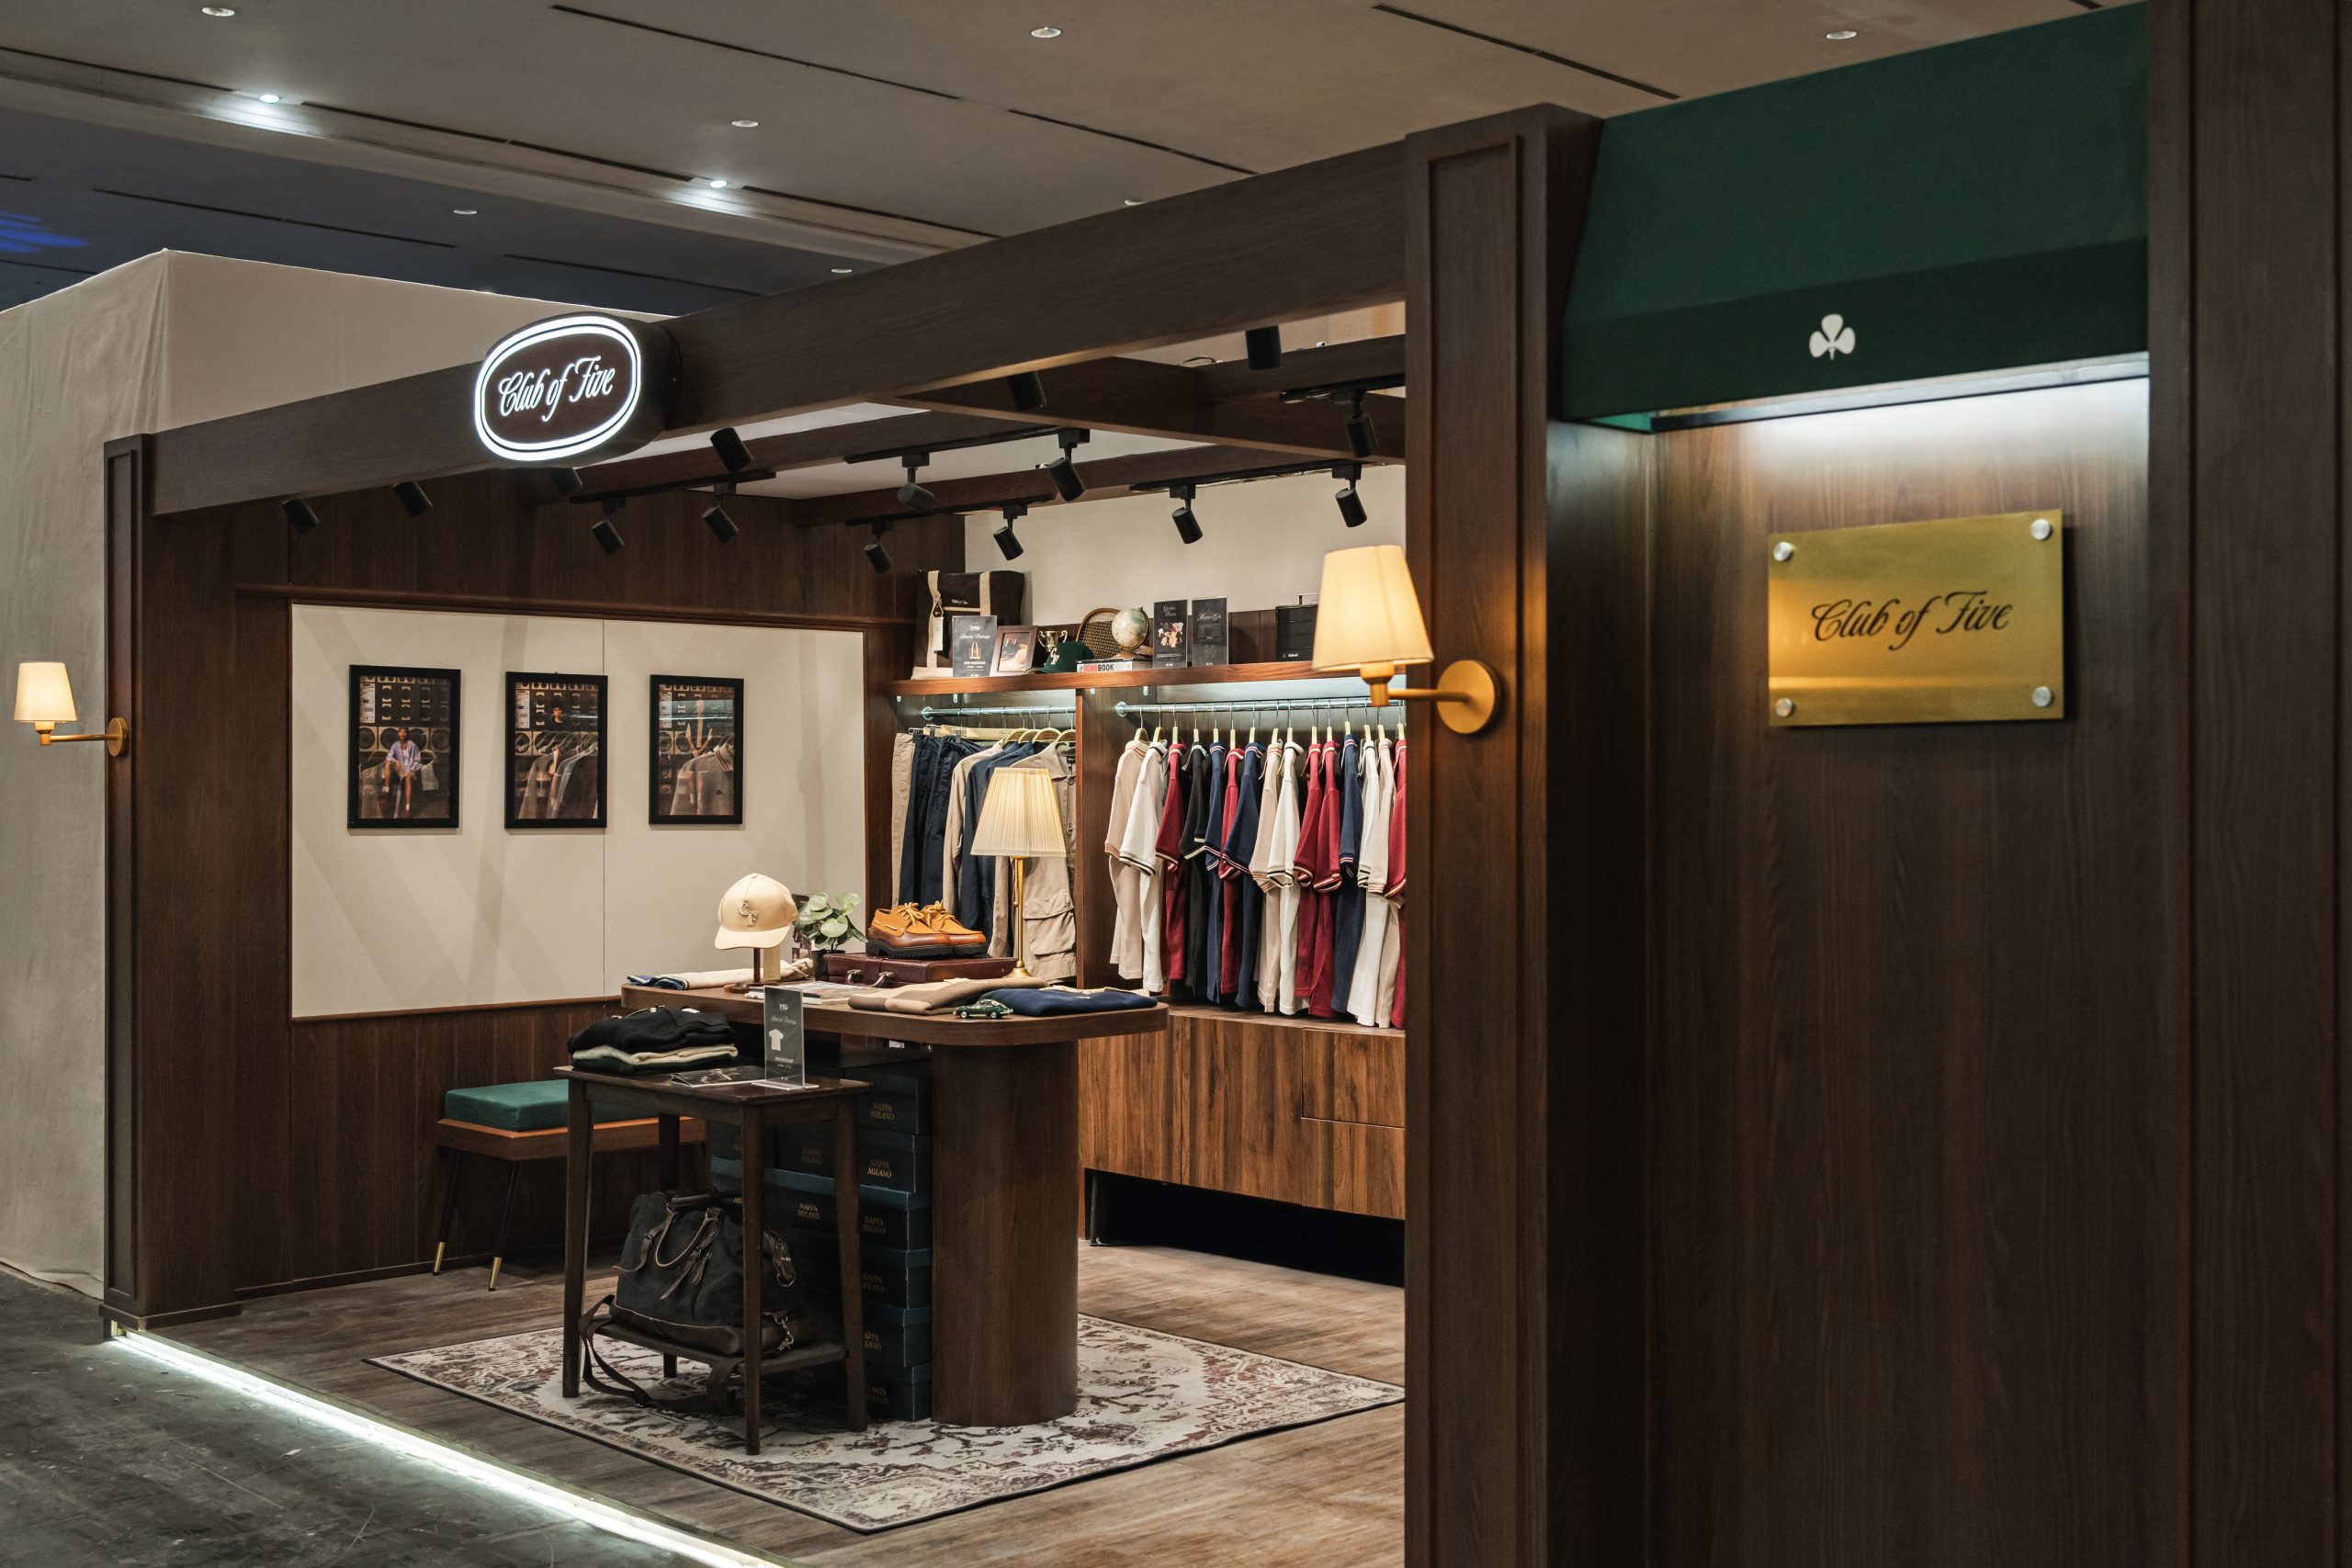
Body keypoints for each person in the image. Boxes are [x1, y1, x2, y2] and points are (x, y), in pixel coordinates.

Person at [384, 727, 424, 818]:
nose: (402, 734)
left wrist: (412, 770)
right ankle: (386, 788)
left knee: (408, 777)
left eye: (404, 732)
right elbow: (388, 757)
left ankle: (407, 807)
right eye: (400, 731)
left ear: (407, 734)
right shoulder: (395, 745)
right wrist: (396, 761)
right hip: (400, 769)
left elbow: (418, 761)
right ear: (398, 733)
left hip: (411, 769)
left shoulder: (413, 745)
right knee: (388, 763)